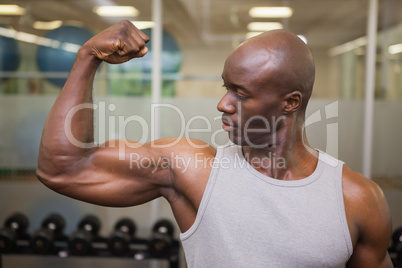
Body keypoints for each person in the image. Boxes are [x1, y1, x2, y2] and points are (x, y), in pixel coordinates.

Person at [36, 20, 392, 267]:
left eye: (241, 93)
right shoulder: (195, 169)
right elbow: (63, 168)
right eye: (226, 88)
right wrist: (87, 59)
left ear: (290, 102)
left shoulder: (356, 198)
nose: (223, 104)